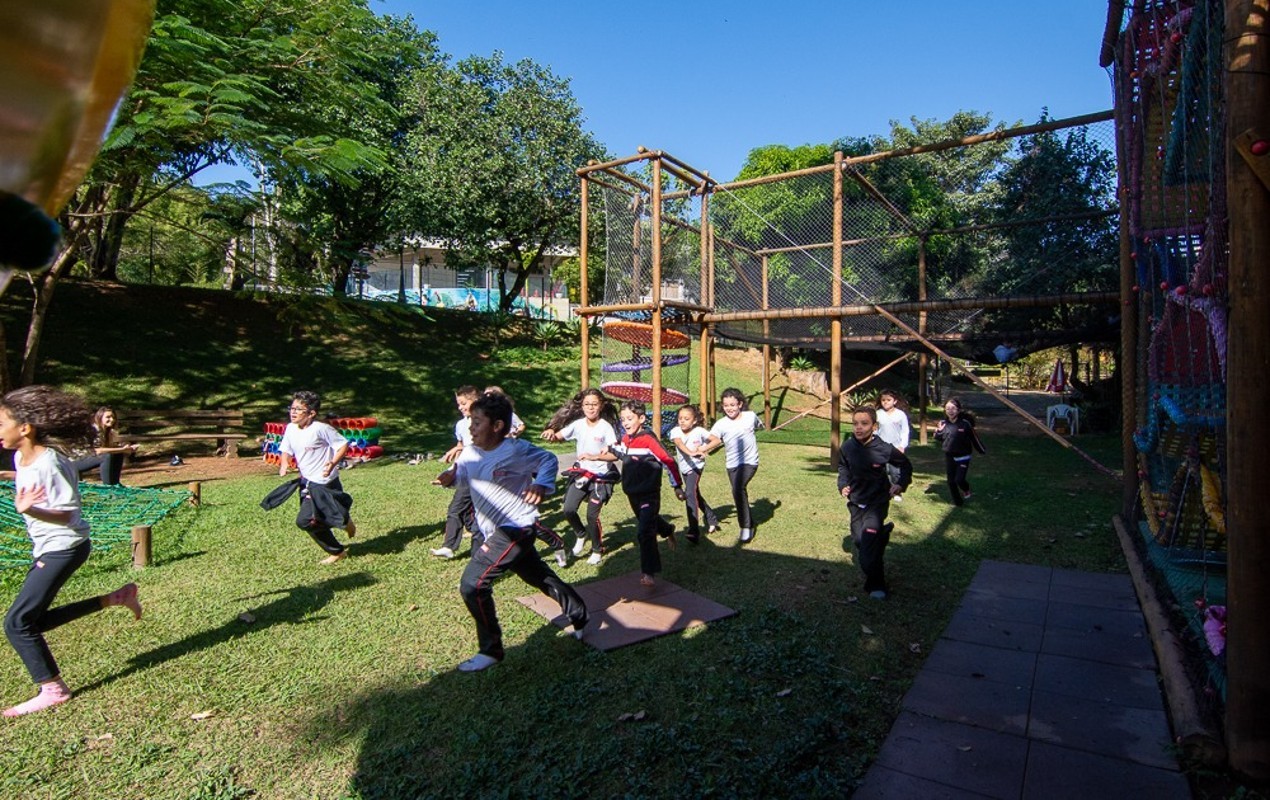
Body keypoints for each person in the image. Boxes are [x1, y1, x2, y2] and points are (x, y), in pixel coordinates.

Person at [0, 386, 142, 717]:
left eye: (2, 422)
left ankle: (53, 690)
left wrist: (30, 510)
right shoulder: (22, 456)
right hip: (50, 546)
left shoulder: (52, 462)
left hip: (65, 547)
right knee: (33, 620)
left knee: (17, 622)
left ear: (25, 428)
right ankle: (115, 598)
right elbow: (25, 476)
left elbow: (67, 513)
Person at [434, 391, 589, 672]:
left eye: (477, 422)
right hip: (493, 529)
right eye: (470, 421)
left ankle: (491, 650)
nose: (471, 427)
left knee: (473, 584)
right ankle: (578, 610)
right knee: (537, 576)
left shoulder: (515, 450)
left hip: (516, 527)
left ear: (497, 426)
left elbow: (548, 461)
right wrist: (451, 478)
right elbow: (464, 478)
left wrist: (540, 485)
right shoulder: (470, 451)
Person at [260, 390, 356, 564]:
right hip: (307, 482)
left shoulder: (321, 429)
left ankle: (341, 533)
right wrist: (283, 464)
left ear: (311, 414)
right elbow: (286, 449)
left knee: (306, 520)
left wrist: (332, 463)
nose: (293, 412)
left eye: (298, 409)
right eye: (292, 408)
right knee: (311, 520)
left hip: (325, 483)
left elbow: (343, 444)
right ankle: (342, 529)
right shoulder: (290, 428)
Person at [596, 400, 684, 587]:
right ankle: (668, 530)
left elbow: (668, 461)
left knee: (644, 531)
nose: (625, 423)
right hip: (632, 493)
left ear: (642, 418)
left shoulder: (648, 440)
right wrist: (608, 449)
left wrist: (676, 486)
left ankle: (649, 573)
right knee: (649, 521)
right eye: (622, 419)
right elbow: (622, 451)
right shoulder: (626, 439)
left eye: (629, 418)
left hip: (649, 494)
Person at [838, 406, 912, 600]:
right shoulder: (847, 447)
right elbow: (843, 467)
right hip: (856, 503)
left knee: (866, 554)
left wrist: (900, 485)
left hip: (877, 504)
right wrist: (843, 485)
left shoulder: (884, 448)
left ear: (875, 426)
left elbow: (906, 465)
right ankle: (882, 535)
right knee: (859, 541)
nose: (859, 428)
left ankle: (877, 585)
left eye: (864, 423)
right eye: (855, 424)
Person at [541, 388, 620, 565]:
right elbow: (559, 437)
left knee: (592, 516)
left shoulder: (605, 428)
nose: (590, 408)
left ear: (601, 406)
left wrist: (595, 457)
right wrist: (551, 434)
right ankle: (581, 534)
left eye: (594, 404)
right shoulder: (578, 425)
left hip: (601, 477)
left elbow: (615, 454)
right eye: (587, 404)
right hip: (581, 474)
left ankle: (597, 549)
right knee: (568, 509)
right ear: (582, 406)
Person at [702, 388, 762, 543]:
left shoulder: (750, 416)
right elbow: (713, 440)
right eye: (726, 405)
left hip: (750, 462)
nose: (730, 408)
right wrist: (702, 448)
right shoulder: (721, 424)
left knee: (738, 489)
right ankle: (749, 521)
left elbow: (758, 425)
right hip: (732, 465)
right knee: (739, 492)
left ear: (740, 404)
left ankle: (746, 527)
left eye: (733, 405)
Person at [432, 385, 481, 559]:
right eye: (458, 404)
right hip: (466, 472)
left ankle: (450, 546)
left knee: (456, 509)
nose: (460, 407)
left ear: (475, 401)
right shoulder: (461, 425)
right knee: (467, 513)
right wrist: (452, 454)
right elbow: (463, 446)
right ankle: (480, 540)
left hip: (480, 473)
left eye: (463, 403)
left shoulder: (485, 421)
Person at [668, 404, 720, 543]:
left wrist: (704, 448)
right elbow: (679, 444)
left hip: (696, 467)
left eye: (686, 418)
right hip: (685, 468)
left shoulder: (699, 431)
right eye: (680, 418)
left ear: (694, 420)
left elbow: (717, 440)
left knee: (690, 493)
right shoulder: (675, 431)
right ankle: (711, 518)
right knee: (695, 494)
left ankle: (693, 531)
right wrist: (692, 452)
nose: (682, 421)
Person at [934, 396, 986, 506]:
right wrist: (939, 431)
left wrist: (981, 450)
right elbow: (938, 438)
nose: (950, 411)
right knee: (951, 481)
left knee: (959, 479)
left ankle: (966, 489)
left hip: (964, 456)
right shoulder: (943, 423)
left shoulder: (965, 423)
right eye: (948, 408)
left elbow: (974, 438)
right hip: (949, 456)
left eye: (953, 408)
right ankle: (958, 502)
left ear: (958, 410)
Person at [70, 405, 138, 485]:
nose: (112, 420)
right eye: (108, 417)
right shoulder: (95, 430)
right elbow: (98, 450)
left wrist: (125, 448)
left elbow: (109, 448)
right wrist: (122, 449)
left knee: (117, 454)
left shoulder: (107, 431)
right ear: (100, 417)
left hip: (88, 457)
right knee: (106, 456)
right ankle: (108, 486)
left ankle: (115, 484)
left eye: (113, 417)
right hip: (74, 462)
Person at [874, 389, 911, 501]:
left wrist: (902, 445)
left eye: (889, 400)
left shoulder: (900, 415)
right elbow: (875, 430)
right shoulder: (878, 414)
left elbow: (905, 431)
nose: (886, 402)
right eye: (883, 400)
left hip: (895, 447)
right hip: (881, 447)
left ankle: (896, 491)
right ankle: (882, 490)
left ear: (894, 401)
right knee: (881, 470)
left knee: (895, 471)